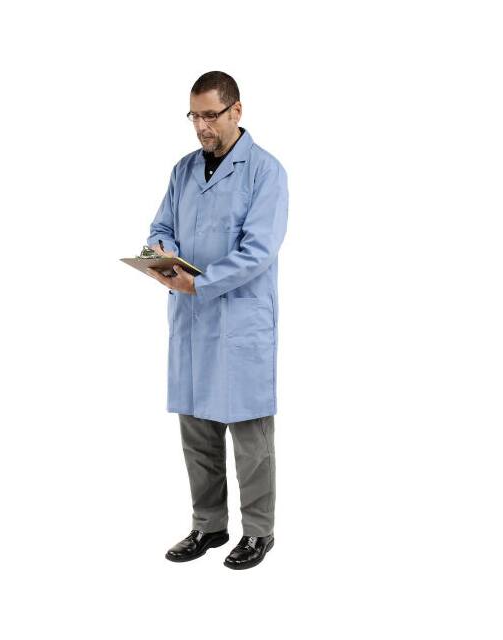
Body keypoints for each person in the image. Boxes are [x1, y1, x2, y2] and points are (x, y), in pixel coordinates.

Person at [145, 71, 288, 570]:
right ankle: (208, 525)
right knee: (197, 431)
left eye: (211, 115)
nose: (202, 126)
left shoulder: (265, 172)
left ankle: (258, 532)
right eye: (195, 116)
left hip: (240, 320)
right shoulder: (184, 170)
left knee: (251, 438)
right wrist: (162, 253)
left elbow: (259, 250)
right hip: (191, 321)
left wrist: (199, 283)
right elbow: (161, 226)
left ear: (236, 111)